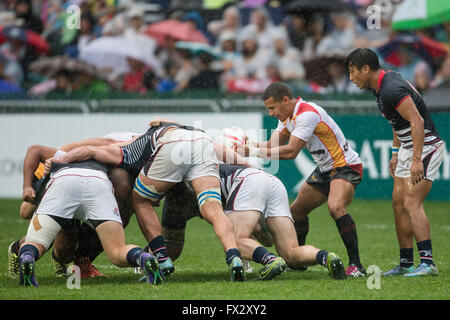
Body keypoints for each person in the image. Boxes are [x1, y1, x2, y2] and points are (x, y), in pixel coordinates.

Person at [46, 120, 247, 282]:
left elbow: (90, 151)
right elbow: (159, 122)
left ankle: (162, 258)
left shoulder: (127, 150)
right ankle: (234, 256)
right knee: (212, 207)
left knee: (140, 199)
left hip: (173, 144)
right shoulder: (162, 127)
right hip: (201, 140)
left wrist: (59, 161)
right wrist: (247, 168)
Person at [235, 81, 366, 277]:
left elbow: (291, 151)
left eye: (272, 108)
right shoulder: (287, 116)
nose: (271, 113)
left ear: (285, 100)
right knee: (296, 212)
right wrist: (249, 146)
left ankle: (357, 266)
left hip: (346, 167)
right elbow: (273, 144)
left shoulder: (307, 113)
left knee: (336, 207)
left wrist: (254, 151)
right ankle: (299, 259)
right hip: (325, 169)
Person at [346, 48, 444, 277]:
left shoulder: (390, 89)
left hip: (426, 146)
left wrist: (417, 159)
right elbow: (397, 122)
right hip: (408, 147)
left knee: (411, 202)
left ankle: (428, 263)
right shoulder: (381, 87)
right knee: (398, 204)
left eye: (353, 72)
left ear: (366, 69)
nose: (351, 78)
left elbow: (417, 121)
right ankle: (406, 263)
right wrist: (395, 152)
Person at [157, 163, 348, 281]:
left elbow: (171, 248)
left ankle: (271, 260)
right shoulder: (198, 172)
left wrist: (148, 255)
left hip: (247, 183)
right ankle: (327, 257)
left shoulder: (183, 191)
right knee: (290, 253)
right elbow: (264, 238)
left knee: (233, 240)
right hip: (269, 181)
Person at [19, 157, 164, 288]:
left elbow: (25, 212)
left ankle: (27, 257)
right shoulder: (107, 152)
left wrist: (29, 189)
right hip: (98, 183)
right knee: (116, 251)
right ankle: (143, 257)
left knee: (36, 243)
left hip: (63, 182)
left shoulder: (55, 157)